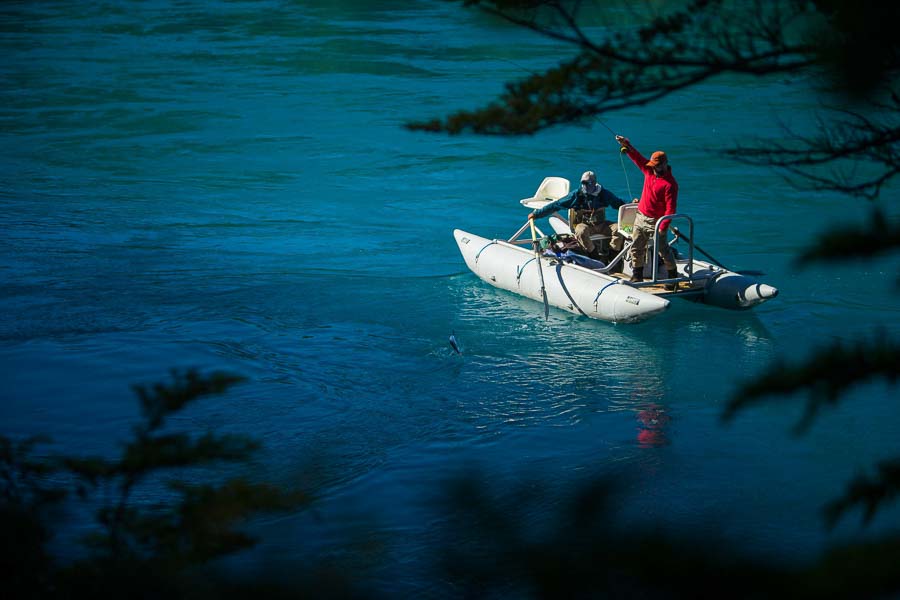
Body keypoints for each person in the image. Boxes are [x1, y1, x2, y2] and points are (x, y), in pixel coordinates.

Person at [615, 135, 679, 288]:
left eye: (657, 166)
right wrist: (627, 145)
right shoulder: (649, 171)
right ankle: (637, 276)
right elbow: (637, 158)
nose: (654, 168)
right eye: (653, 165)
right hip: (640, 217)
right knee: (636, 247)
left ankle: (672, 278)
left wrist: (663, 227)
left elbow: (671, 209)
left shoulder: (670, 185)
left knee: (663, 250)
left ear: (664, 165)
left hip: (656, 222)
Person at [527, 171, 627, 263]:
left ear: (594, 183)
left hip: (601, 224)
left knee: (618, 228)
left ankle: (613, 255)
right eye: (583, 183)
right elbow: (556, 205)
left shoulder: (604, 194)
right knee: (581, 231)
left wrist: (633, 204)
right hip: (585, 225)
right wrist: (537, 214)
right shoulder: (576, 195)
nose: (584, 186)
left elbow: (619, 204)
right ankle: (595, 256)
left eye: (587, 183)